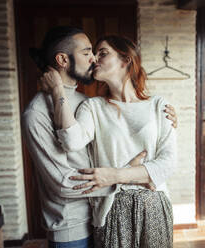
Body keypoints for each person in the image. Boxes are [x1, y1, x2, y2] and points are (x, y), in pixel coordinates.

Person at [22, 26, 178, 248]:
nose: (94, 58)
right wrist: (128, 178)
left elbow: (167, 163)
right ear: (63, 60)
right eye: (88, 53)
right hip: (99, 212)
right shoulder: (90, 106)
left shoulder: (157, 106)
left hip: (150, 206)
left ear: (125, 60)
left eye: (101, 53)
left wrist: (117, 175)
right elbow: (69, 150)